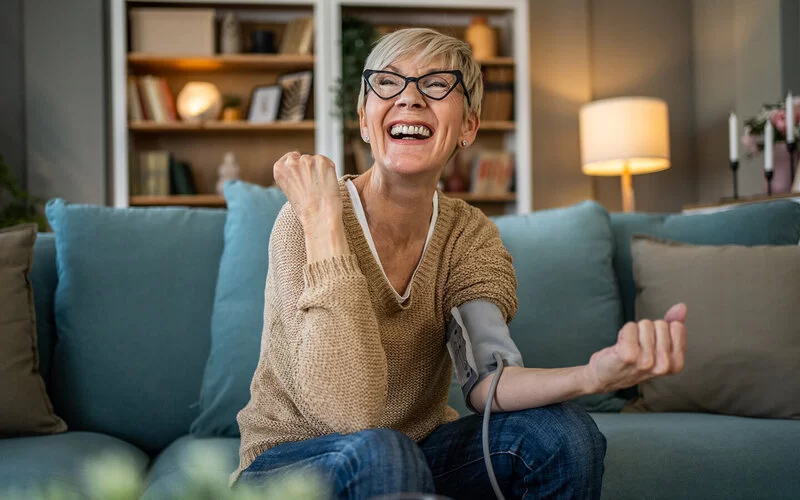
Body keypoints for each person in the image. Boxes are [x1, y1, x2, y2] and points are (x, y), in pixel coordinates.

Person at [232, 27, 688, 500]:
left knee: (561, 435)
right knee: (383, 451)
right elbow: (351, 414)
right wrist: (324, 223)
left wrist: (591, 376)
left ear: (469, 126)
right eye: (388, 83)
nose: (409, 98)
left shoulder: (468, 236)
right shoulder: (305, 216)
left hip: (410, 452)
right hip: (289, 463)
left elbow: (486, 380)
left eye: (435, 84)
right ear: (365, 120)